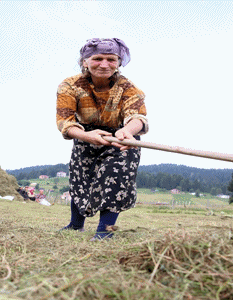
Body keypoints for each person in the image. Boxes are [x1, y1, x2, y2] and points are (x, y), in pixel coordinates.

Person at [56, 38, 148, 240]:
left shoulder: (128, 88)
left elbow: (138, 117)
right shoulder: (70, 85)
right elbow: (65, 120)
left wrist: (127, 132)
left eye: (111, 59)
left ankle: (104, 232)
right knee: (81, 179)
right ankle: (75, 225)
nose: (104, 64)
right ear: (85, 62)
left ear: (119, 62)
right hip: (85, 135)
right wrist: (86, 136)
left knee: (114, 179)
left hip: (122, 139)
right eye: (98, 58)